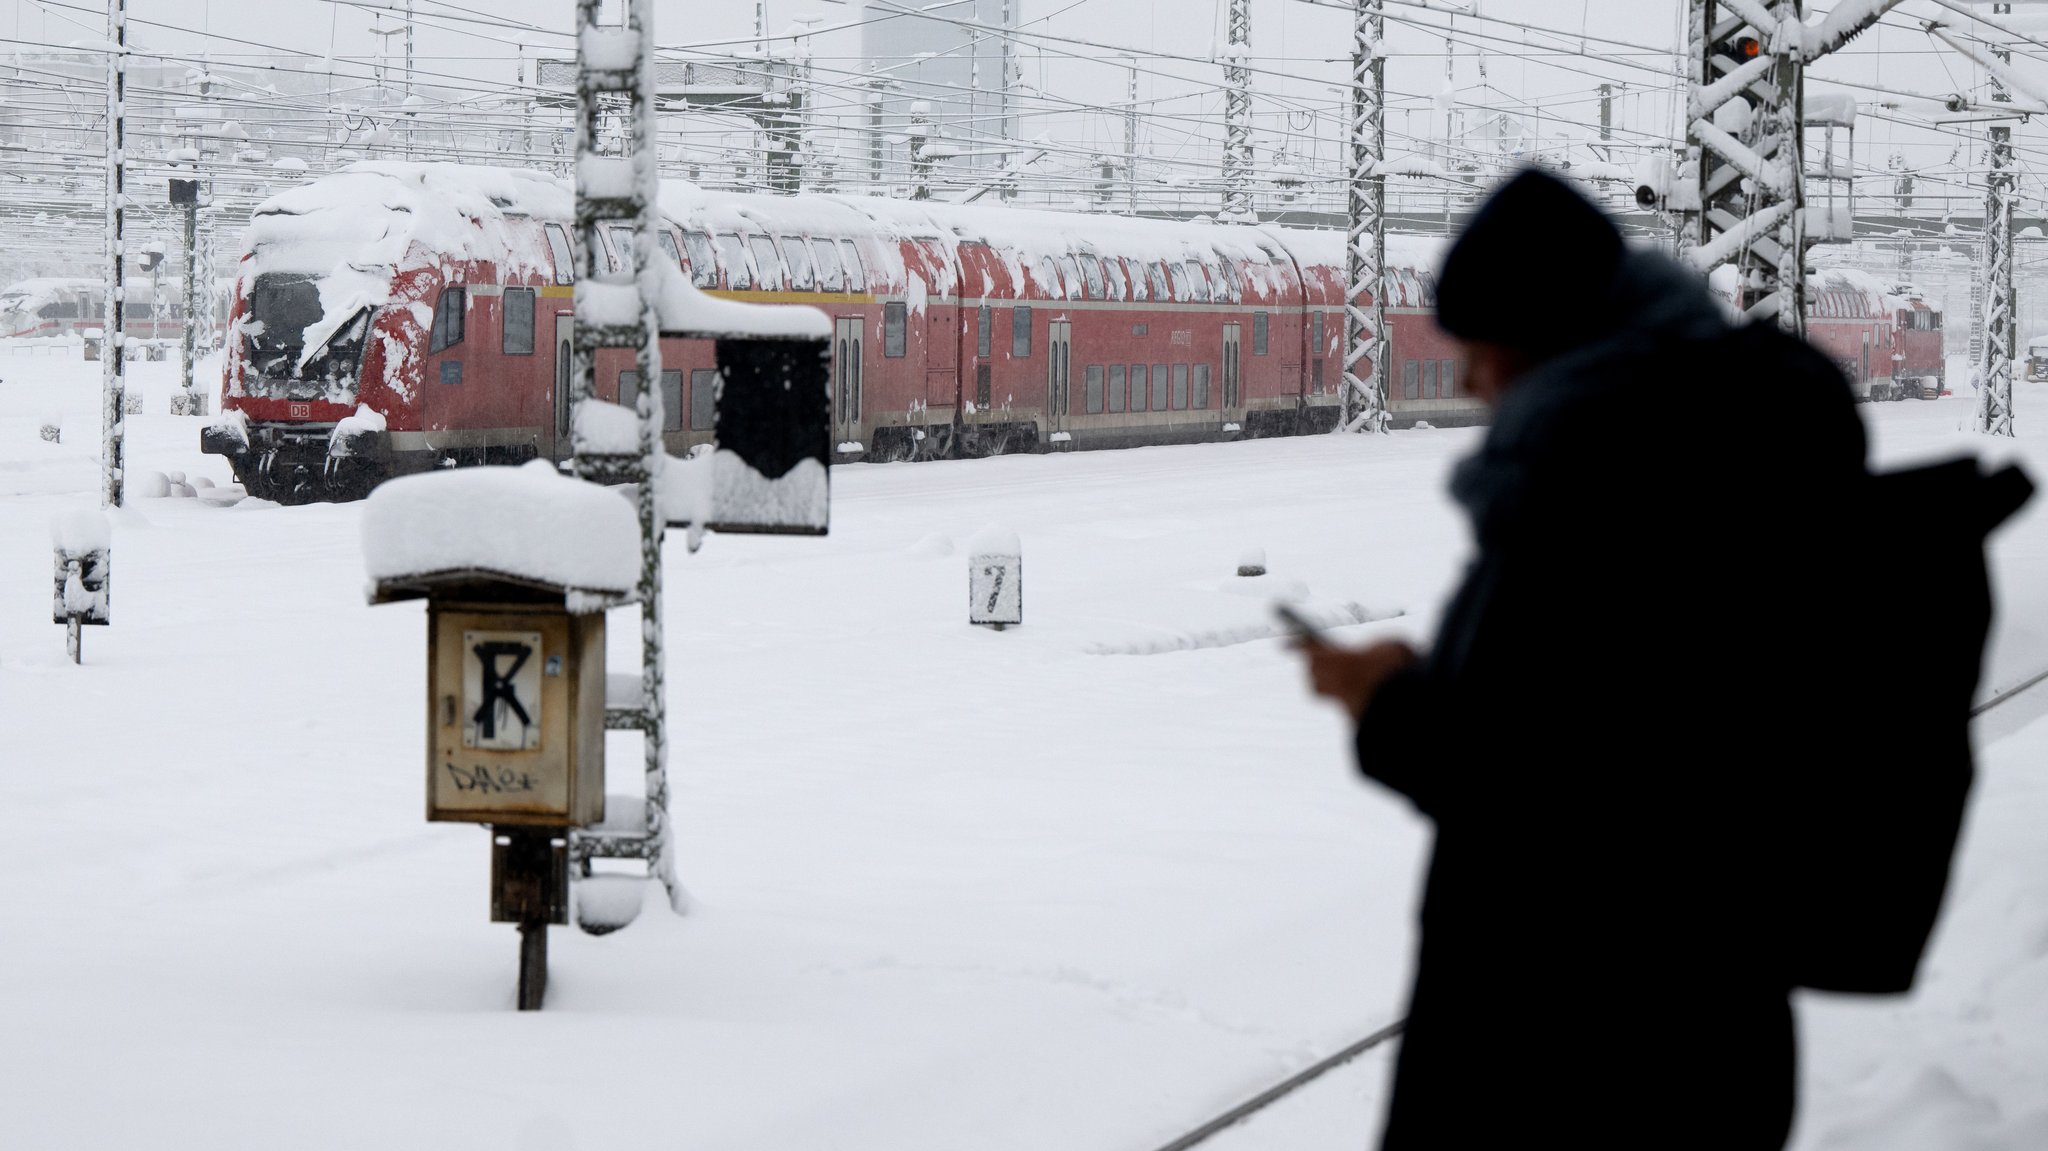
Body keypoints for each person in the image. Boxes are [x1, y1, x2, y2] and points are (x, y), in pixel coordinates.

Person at [1303, 170, 1870, 1149]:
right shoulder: (1728, 442)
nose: (1469, 380)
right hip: (1708, 1023)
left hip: (1563, 1043)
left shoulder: (1599, 475)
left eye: (1477, 348)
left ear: (1540, 336)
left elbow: (1535, 788)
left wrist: (1383, 698)